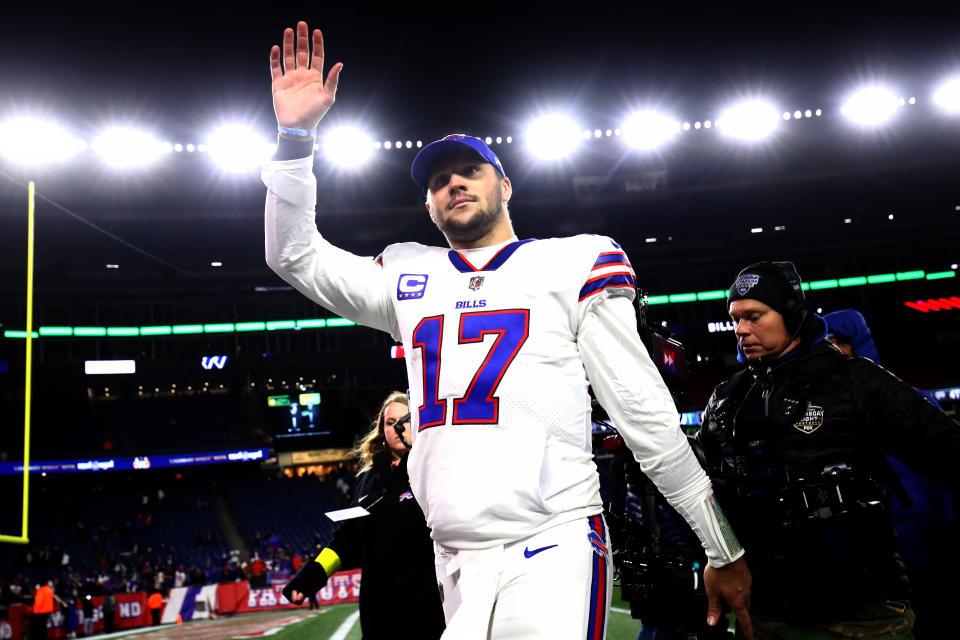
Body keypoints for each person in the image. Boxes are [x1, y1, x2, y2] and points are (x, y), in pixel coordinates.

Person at [263, 21, 751, 639]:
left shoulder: (574, 261)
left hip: (552, 537)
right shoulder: (407, 271)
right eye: (439, 181)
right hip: (454, 553)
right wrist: (295, 138)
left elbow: (643, 412)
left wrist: (721, 545)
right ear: (428, 206)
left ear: (506, 184)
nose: (453, 184)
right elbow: (293, 255)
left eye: (470, 170)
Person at [696, 262, 960, 638]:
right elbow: (702, 492)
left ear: (790, 314)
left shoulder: (856, 379)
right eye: (735, 319)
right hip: (768, 611)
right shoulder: (727, 398)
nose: (740, 330)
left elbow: (947, 449)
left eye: (754, 316)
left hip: (863, 610)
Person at [824, 308, 955, 639]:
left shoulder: (912, 402)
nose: (833, 350)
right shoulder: (823, 419)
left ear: (860, 344)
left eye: (839, 341)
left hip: (926, 551)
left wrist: (948, 526)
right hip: (869, 562)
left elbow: (946, 471)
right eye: (824, 343)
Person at [283, 392, 445, 639]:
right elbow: (347, 539)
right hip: (378, 611)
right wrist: (310, 577)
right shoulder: (368, 480)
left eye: (406, 419)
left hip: (428, 606)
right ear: (382, 430)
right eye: (390, 423)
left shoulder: (433, 470)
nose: (398, 427)